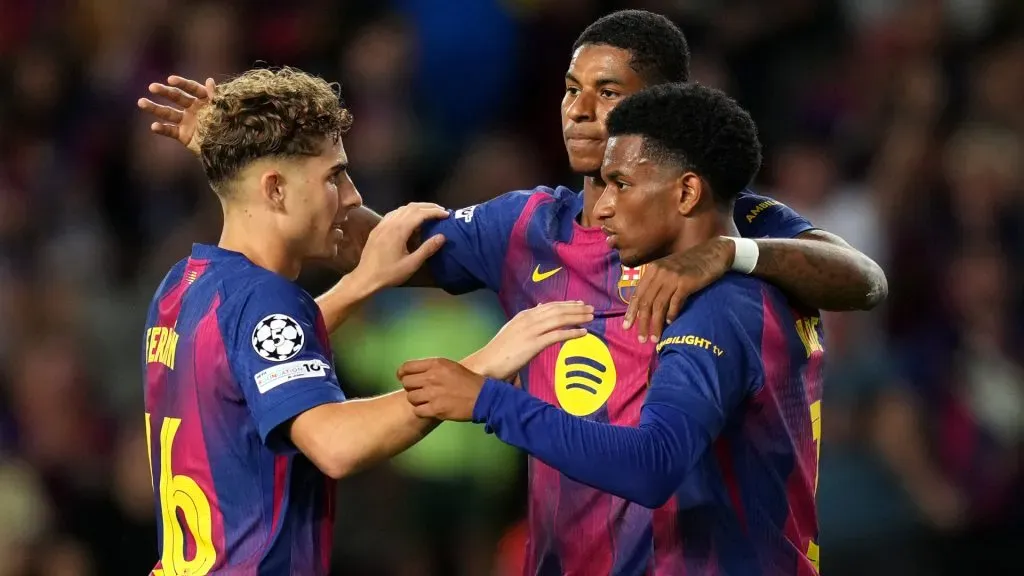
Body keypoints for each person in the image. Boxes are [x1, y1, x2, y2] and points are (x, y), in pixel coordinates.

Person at [137, 9, 885, 574]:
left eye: (607, 91)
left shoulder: (722, 222)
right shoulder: (529, 225)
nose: (580, 109)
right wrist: (245, 159)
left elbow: (864, 279)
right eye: (569, 89)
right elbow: (366, 233)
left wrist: (731, 252)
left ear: (665, 107)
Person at [140, 67, 591, 575]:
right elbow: (335, 444)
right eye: (334, 175)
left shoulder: (185, 286)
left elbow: (253, 362)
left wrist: (362, 283)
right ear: (275, 190)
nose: (352, 196)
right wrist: (477, 371)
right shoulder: (265, 299)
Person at [401, 82, 824, 575]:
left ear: (687, 192)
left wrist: (487, 401)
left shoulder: (714, 308)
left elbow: (654, 463)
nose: (601, 209)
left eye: (620, 184)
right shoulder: (774, 283)